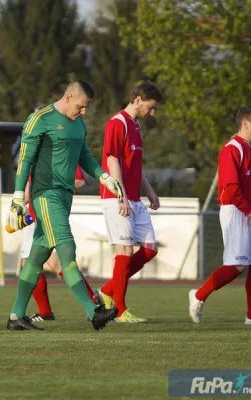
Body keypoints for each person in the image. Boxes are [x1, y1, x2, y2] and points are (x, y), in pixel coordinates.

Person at [6, 80, 123, 331]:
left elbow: (85, 157)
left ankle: (16, 316)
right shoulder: (41, 118)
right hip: (45, 194)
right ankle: (93, 311)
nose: (83, 113)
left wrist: (105, 177)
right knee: (66, 248)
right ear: (68, 97)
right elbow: (24, 159)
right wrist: (17, 198)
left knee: (37, 257)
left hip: (65, 196)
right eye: (81, 107)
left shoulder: (78, 123)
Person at [189, 106, 251, 325]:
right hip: (236, 209)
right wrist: (247, 209)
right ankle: (198, 295)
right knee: (237, 266)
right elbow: (231, 186)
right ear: (245, 123)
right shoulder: (232, 148)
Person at [96, 82, 163, 323]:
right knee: (124, 251)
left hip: (134, 198)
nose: (152, 113)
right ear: (137, 99)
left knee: (149, 248)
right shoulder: (118, 123)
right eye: (151, 107)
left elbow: (135, 165)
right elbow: (112, 160)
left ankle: (106, 291)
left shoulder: (135, 126)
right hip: (117, 197)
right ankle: (121, 311)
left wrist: (150, 191)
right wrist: (121, 194)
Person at [23, 167, 101, 322]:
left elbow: (79, 181)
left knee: (37, 263)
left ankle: (92, 303)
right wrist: (20, 206)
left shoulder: (62, 148)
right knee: (44, 262)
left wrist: (49, 185)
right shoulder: (36, 151)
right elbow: (28, 189)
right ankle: (90, 302)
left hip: (48, 211)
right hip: (34, 213)